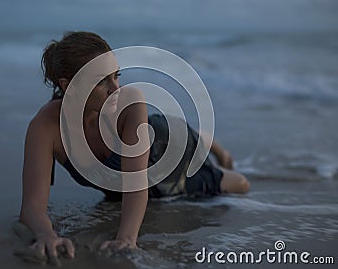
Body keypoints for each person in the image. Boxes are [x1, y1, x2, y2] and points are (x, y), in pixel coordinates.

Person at [18, 31, 250, 262]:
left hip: (165, 154)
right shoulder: (46, 127)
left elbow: (136, 186)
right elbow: (32, 207)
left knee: (240, 183)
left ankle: (216, 148)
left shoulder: (129, 103)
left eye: (116, 75)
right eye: (102, 81)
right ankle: (205, 141)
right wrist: (46, 235)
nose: (115, 88)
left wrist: (126, 238)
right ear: (68, 85)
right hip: (137, 165)